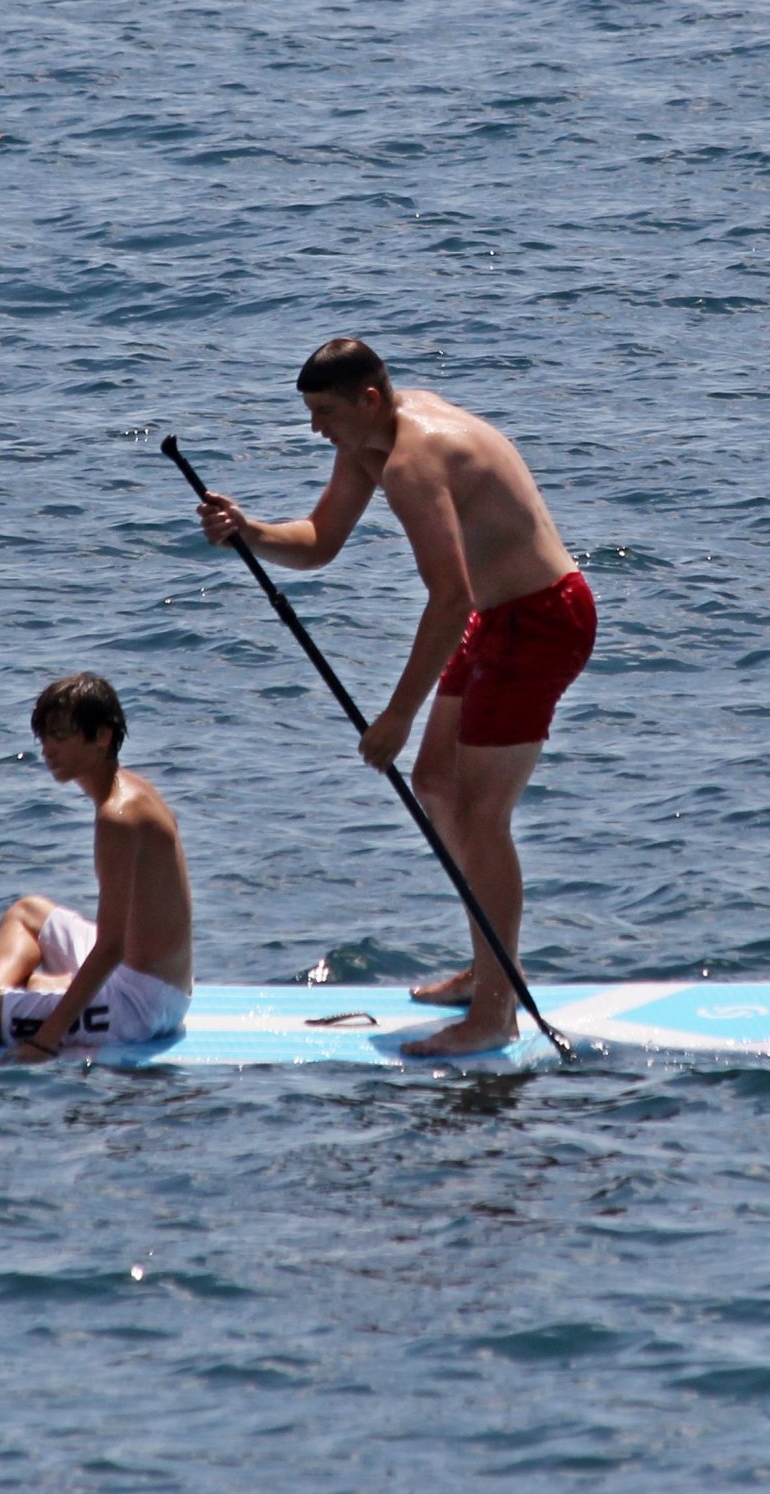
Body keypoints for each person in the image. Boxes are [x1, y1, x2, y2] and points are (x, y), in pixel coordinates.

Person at [194, 338, 593, 1056]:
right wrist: (248, 530)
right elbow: (319, 542)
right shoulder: (371, 439)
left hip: (541, 621)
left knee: (481, 811)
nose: (315, 428)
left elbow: (450, 597)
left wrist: (398, 716)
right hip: (498, 618)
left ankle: (496, 1013)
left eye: (323, 413)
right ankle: (489, 965)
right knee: (437, 782)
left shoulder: (414, 457)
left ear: (368, 400)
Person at [0, 674, 193, 1063]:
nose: (47, 749)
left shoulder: (119, 817)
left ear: (102, 737)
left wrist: (45, 1040)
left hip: (143, 1006)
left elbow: (111, 947)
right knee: (27, 913)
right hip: (143, 979)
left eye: (60, 736)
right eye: (44, 737)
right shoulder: (128, 789)